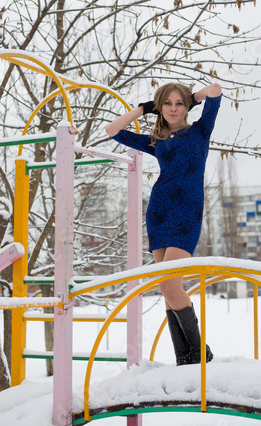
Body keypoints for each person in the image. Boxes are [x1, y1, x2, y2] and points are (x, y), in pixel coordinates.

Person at [106, 82, 222, 365]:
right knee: (165, 286)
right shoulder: (156, 140)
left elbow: (216, 91)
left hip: (187, 214)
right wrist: (144, 108)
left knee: (171, 285)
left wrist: (193, 98)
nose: (173, 108)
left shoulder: (200, 131)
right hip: (159, 213)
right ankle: (184, 356)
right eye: (167, 103)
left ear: (186, 107)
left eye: (178, 103)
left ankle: (200, 353)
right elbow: (113, 131)